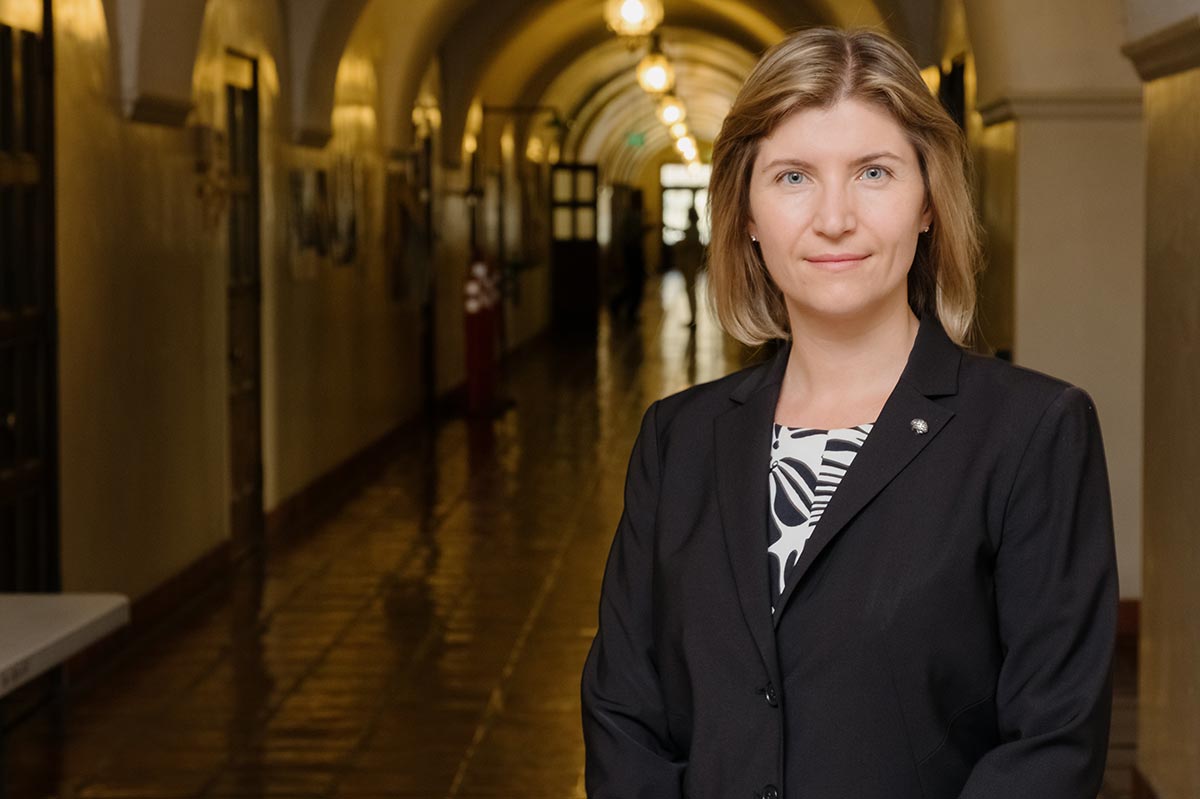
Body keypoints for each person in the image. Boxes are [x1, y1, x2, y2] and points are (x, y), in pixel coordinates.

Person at [580, 27, 1117, 799]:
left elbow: (1051, 744)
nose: (834, 217)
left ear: (928, 202)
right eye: (793, 177)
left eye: (873, 172)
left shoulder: (1033, 434)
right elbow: (623, 710)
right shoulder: (678, 439)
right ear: (747, 212)